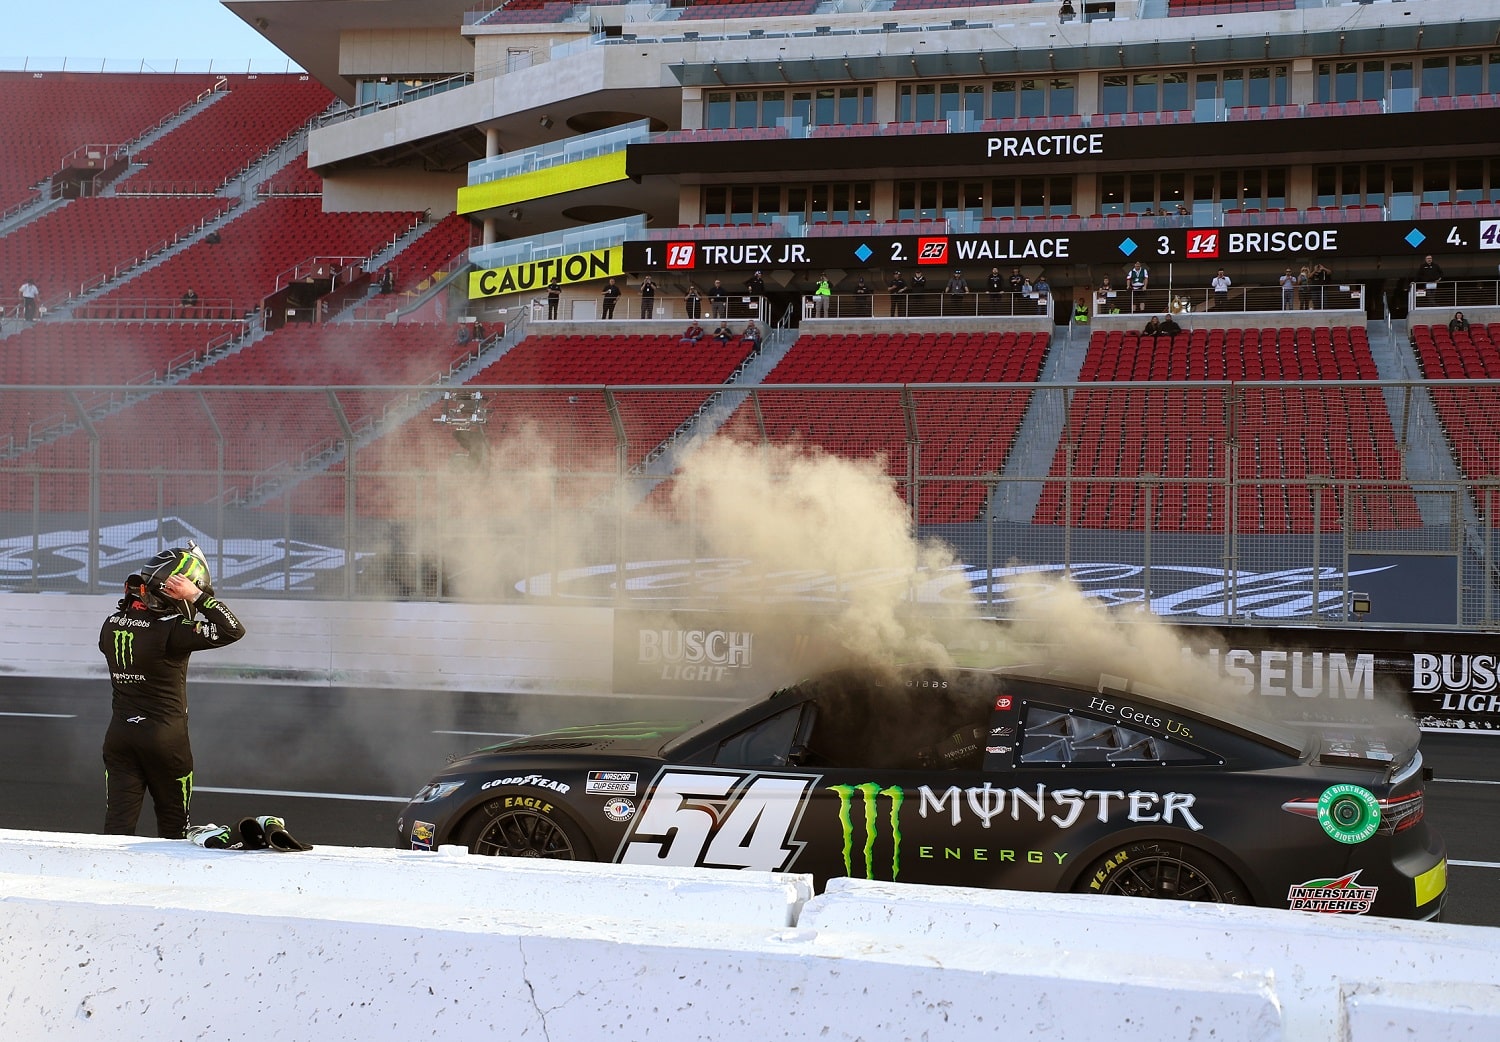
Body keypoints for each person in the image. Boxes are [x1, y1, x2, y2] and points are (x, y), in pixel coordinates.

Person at [99, 543, 246, 838]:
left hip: (120, 737)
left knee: (117, 827)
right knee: (174, 829)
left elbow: (135, 617)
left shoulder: (110, 624)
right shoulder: (174, 630)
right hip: (166, 742)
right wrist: (197, 597)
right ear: (175, 589)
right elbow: (233, 630)